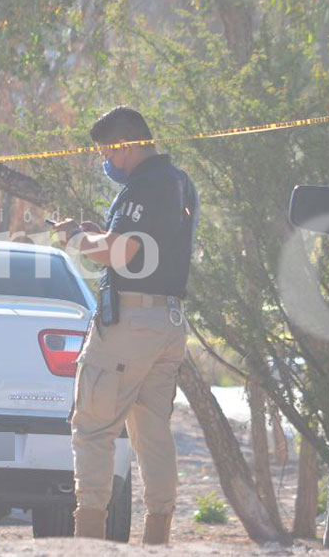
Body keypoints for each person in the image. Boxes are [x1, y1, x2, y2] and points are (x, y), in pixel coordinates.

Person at [52, 106, 198, 545]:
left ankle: (89, 537)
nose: (107, 163)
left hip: (131, 323)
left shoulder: (144, 184)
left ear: (126, 144)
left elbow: (122, 253)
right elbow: (123, 243)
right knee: (152, 430)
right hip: (168, 322)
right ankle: (158, 536)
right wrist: (92, 236)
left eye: (108, 153)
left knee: (92, 425)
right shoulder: (178, 182)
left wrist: (75, 241)